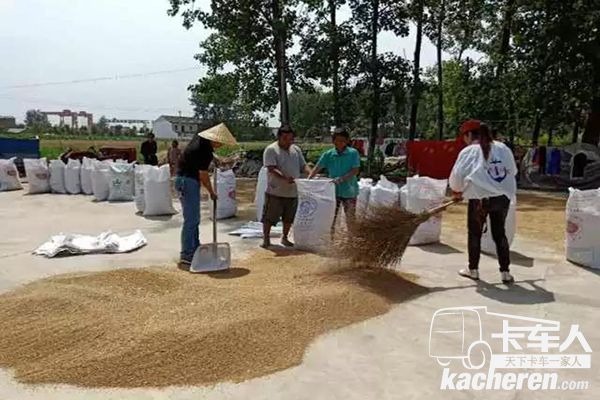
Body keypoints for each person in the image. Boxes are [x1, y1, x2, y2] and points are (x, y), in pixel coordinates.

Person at [449, 120, 518, 284]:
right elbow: (513, 171)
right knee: (499, 233)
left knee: (475, 233)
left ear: (469, 135)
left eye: (464, 136)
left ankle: (473, 270)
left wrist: (457, 191)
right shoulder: (503, 148)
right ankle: (505, 272)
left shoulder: (469, 151)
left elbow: (457, 176)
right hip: (502, 198)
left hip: (480, 199)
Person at [175, 125, 237, 267]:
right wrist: (211, 192)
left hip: (185, 179)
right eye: (220, 142)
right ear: (214, 139)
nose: (221, 145)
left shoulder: (200, 140)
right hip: (188, 181)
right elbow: (203, 175)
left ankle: (195, 247)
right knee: (191, 219)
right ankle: (186, 253)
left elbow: (200, 161)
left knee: (194, 218)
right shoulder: (204, 150)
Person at [261, 125, 311, 248]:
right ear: (279, 137)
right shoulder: (271, 150)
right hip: (275, 191)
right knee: (269, 217)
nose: (288, 141)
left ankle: (285, 238)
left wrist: (311, 174)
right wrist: (285, 178)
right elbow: (271, 168)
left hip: (292, 191)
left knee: (289, 217)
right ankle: (266, 239)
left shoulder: (296, 150)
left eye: (291, 139)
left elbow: (303, 165)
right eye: (285, 139)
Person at [308, 127, 360, 234]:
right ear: (333, 141)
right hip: (332, 192)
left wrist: (342, 179)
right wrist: (308, 181)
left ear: (347, 141)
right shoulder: (328, 154)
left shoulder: (353, 153)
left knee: (350, 218)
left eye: (342, 140)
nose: (339, 143)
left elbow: (355, 170)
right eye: (337, 140)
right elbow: (317, 168)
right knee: (331, 218)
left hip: (349, 191)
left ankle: (352, 240)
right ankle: (330, 239)